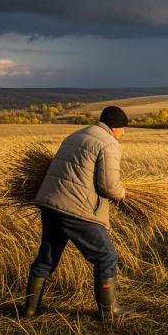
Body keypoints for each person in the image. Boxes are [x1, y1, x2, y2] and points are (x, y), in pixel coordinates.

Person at [22, 106, 134, 319]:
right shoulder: (109, 143)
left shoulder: (76, 134)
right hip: (75, 208)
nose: (123, 133)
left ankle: (30, 308)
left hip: (51, 204)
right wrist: (120, 193)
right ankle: (110, 311)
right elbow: (108, 186)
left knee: (47, 257)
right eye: (122, 128)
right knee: (106, 256)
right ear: (114, 127)